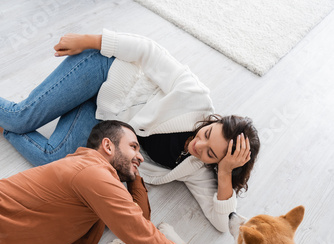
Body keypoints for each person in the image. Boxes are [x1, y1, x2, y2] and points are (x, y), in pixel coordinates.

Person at [0, 120, 283, 244]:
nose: (140, 156)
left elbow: (141, 219)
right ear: (108, 147)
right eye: (134, 147)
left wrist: (134, 175)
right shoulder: (93, 175)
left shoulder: (96, 180)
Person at [0, 30, 260, 233]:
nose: (198, 146)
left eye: (210, 153)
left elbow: (222, 221)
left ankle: (5, 126)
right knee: (21, 118)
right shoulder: (194, 97)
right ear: (213, 122)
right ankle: (8, 121)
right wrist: (90, 40)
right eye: (206, 134)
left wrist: (225, 173)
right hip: (105, 72)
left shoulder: (196, 170)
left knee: (53, 159)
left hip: (100, 114)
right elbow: (149, 51)